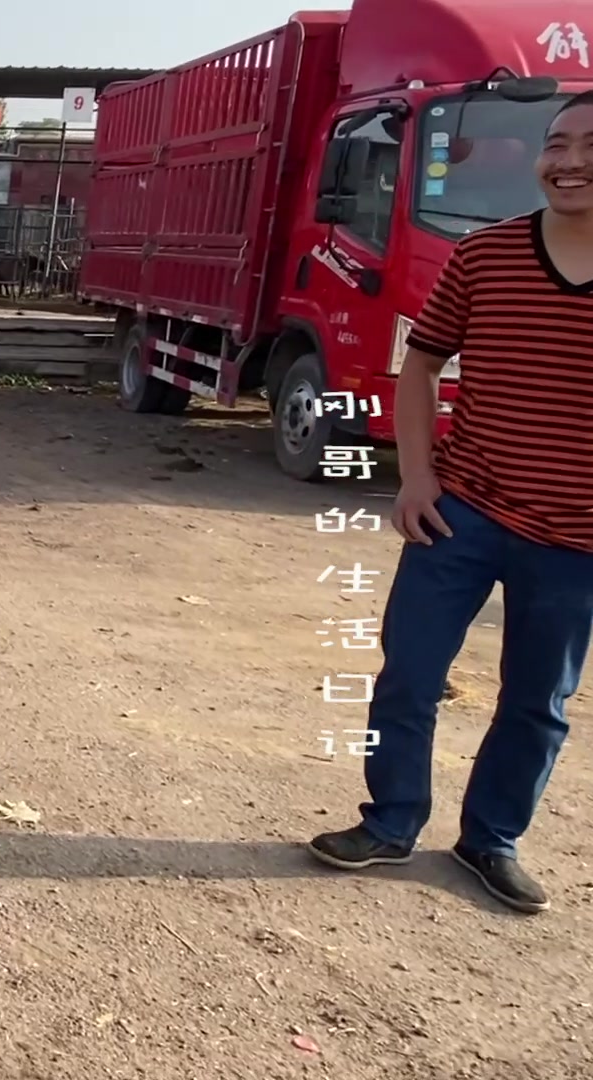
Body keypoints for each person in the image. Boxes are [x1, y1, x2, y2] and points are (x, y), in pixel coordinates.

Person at [307, 90, 593, 914]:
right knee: (410, 675)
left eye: (589, 145)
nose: (568, 160)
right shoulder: (486, 257)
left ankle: (490, 841)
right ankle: (390, 822)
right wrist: (419, 477)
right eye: (557, 142)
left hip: (576, 540)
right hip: (462, 509)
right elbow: (422, 366)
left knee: (539, 701)